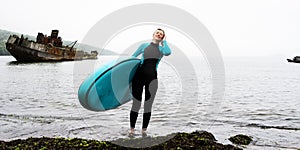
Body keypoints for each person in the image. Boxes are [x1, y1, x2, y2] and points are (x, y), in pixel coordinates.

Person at [130, 28, 172, 135]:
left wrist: (165, 42)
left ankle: (144, 131)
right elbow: (132, 57)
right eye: (157, 33)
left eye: (161, 34)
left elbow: (168, 52)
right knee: (136, 104)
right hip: (138, 76)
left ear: (162, 38)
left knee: (148, 105)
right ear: (153, 34)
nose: (159, 34)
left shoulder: (162, 49)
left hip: (152, 78)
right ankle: (132, 130)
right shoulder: (143, 46)